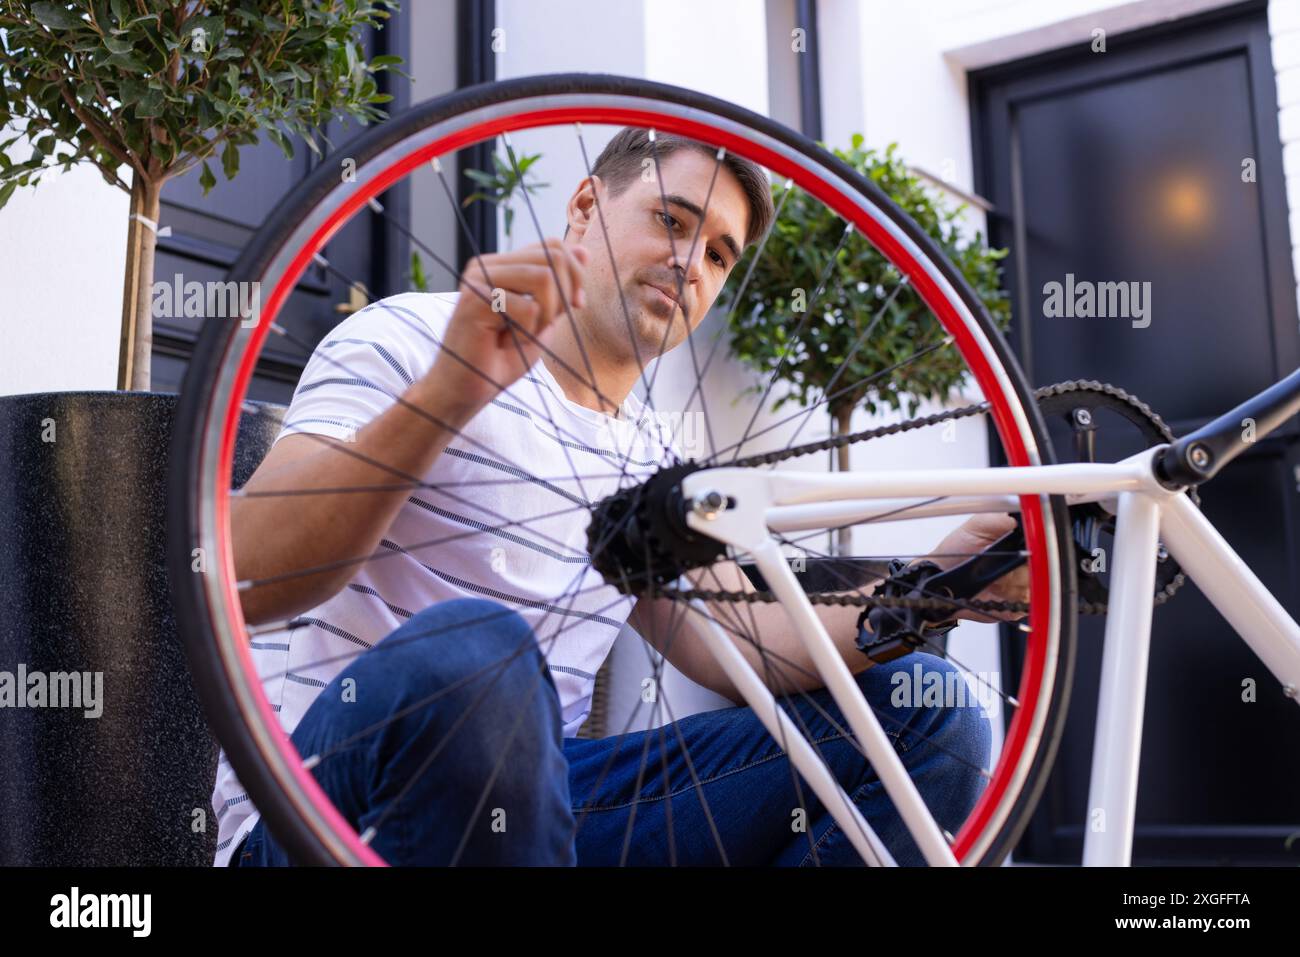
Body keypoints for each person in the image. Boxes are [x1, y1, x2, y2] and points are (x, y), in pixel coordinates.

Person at [215, 127, 1025, 867]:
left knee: (936, 717)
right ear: (583, 206)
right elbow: (250, 575)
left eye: (718, 255)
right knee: (482, 647)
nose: (691, 265)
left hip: (543, 819)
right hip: (321, 815)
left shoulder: (653, 458)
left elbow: (745, 643)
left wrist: (945, 580)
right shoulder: (407, 337)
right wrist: (448, 396)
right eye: (672, 222)